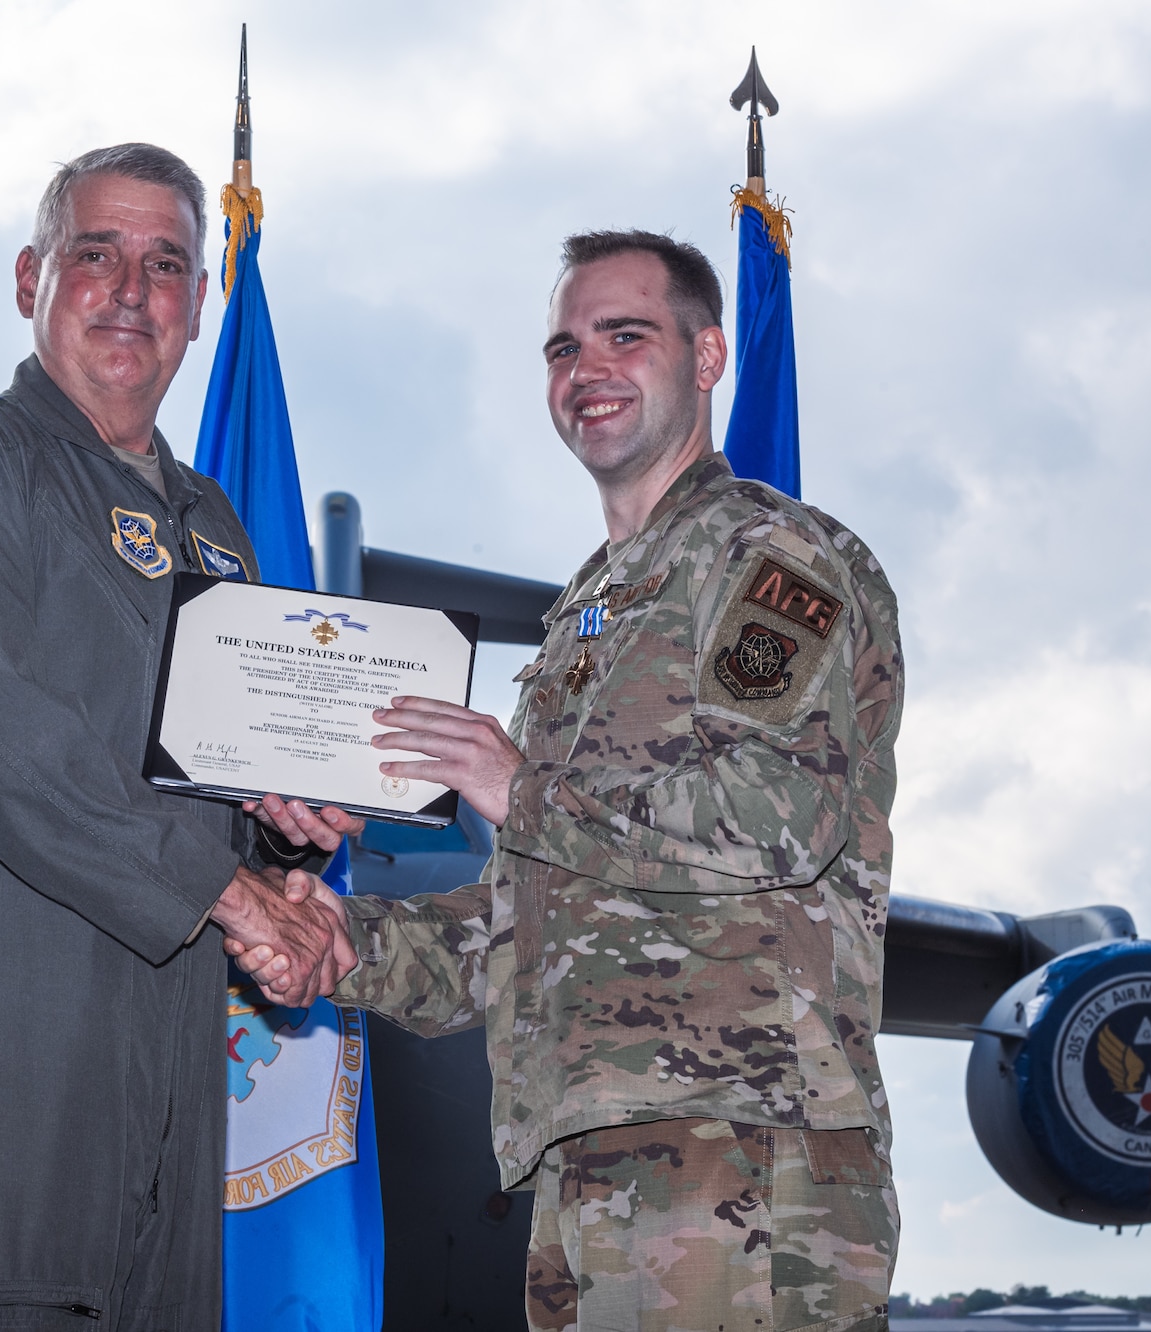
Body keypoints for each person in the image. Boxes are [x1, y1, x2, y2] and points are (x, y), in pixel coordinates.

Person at [238, 230, 904, 1331]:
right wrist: (344, 946)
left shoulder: (768, 559)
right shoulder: (582, 623)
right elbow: (536, 922)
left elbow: (780, 820)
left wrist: (524, 785)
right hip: (588, 1159)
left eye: (623, 335)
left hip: (735, 1149)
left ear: (706, 357)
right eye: (560, 347)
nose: (583, 369)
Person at [0, 143, 358, 1331]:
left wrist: (287, 842)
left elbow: (209, 770)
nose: (130, 289)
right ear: (30, 280)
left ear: (196, 309)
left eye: (165, 264)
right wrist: (230, 895)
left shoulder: (210, 525)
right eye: (95, 255)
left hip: (172, 1067)